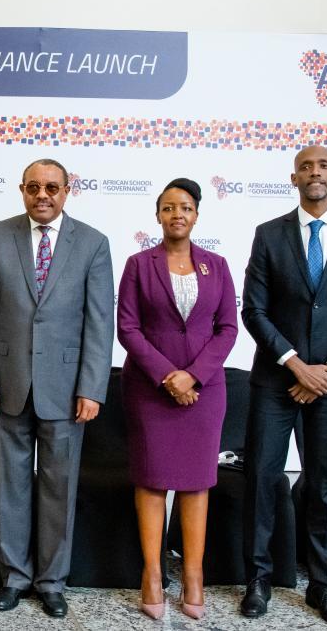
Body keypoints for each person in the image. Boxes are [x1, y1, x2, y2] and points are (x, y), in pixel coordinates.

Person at [240, 145, 327, 629]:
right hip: (277, 379)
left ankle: (322, 584)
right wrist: (297, 365)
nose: (314, 173)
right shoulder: (268, 235)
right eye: (306, 166)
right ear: (293, 177)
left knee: (324, 486)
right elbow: (253, 311)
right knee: (262, 479)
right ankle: (258, 578)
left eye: (322, 166)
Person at [0, 158, 114, 618]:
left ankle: (51, 581)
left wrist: (92, 386)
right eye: (34, 187)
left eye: (52, 187)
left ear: (67, 191)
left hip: (68, 389)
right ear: (22, 191)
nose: (43, 195)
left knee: (59, 486)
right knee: (9, 485)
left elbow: (99, 322)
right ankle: (14, 577)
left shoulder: (92, 243)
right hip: (7, 384)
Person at [116, 178, 238, 620]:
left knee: (196, 483)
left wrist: (193, 377)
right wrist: (168, 375)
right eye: (168, 208)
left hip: (205, 394)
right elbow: (127, 328)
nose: (177, 215)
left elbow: (228, 328)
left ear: (197, 214)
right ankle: (151, 574)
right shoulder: (138, 264)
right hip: (150, 390)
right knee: (151, 480)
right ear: (158, 215)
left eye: (185, 207)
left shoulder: (217, 265)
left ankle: (193, 575)